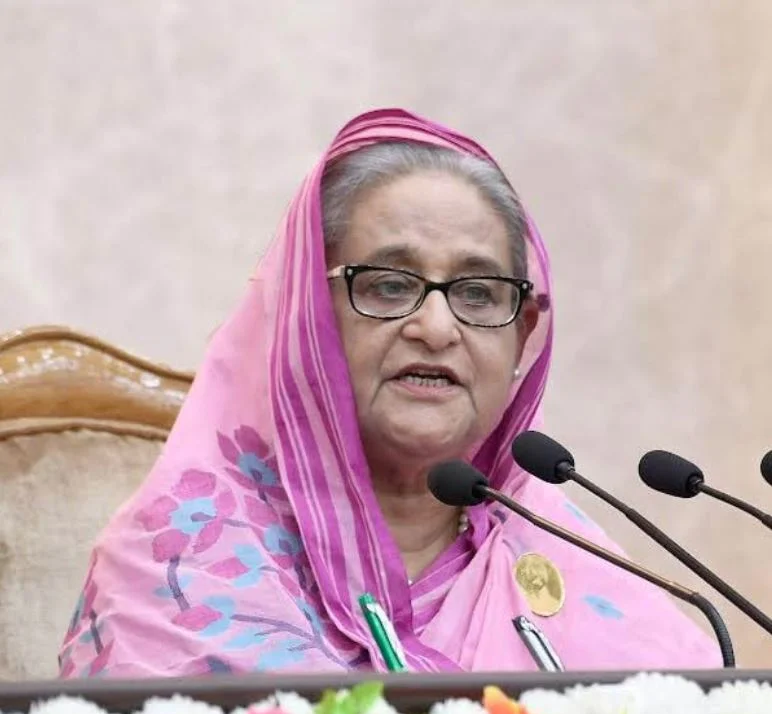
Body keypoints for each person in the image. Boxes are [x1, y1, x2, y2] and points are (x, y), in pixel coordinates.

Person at [59, 108, 720, 677]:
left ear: (522, 335)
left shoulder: (570, 561)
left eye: (478, 293)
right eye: (389, 285)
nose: (436, 328)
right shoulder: (177, 567)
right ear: (309, 316)